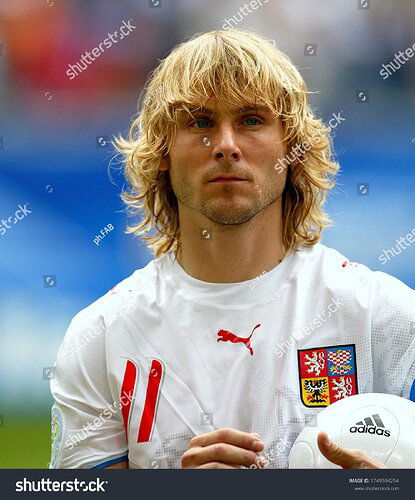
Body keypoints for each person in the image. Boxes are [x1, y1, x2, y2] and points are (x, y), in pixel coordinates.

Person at [49, 29, 415, 469]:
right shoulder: (102, 336)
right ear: (162, 151)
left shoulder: (385, 316)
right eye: (200, 122)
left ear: (292, 148)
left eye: (251, 120)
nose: (225, 145)